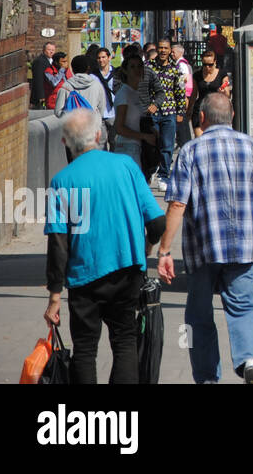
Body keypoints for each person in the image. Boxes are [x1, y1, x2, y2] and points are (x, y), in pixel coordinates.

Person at [156, 93, 253, 385]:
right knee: (244, 308)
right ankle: (250, 359)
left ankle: (207, 379)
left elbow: (177, 205)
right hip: (246, 247)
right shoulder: (252, 147)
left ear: (201, 118)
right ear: (233, 115)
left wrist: (164, 250)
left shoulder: (189, 152)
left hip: (204, 248)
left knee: (199, 316)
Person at [43, 107, 166, 384]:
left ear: (65, 142)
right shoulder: (126, 166)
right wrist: (145, 248)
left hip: (84, 277)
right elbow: (158, 223)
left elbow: (58, 245)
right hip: (127, 270)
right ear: (99, 135)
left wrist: (54, 297)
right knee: (124, 340)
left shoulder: (62, 182)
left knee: (85, 349)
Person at [148, 37, 188, 188]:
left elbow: (180, 92)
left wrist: (180, 112)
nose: (163, 51)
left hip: (169, 112)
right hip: (152, 112)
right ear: (157, 49)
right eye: (161, 48)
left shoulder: (175, 69)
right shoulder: (148, 67)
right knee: (153, 145)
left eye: (166, 48)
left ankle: (163, 175)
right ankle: (152, 169)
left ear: (170, 50)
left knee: (167, 145)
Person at [111, 55, 157, 169]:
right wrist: (144, 136)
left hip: (137, 146)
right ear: (125, 71)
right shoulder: (124, 94)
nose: (137, 70)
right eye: (132, 67)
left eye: (139, 66)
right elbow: (119, 127)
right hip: (126, 148)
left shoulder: (134, 93)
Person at [189, 50, 231, 138]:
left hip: (216, 111)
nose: (207, 67)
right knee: (200, 140)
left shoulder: (222, 74)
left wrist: (224, 92)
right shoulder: (197, 75)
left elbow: (227, 93)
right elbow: (193, 95)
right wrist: (189, 110)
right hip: (200, 110)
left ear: (215, 62)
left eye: (210, 65)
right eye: (204, 64)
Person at [92, 46, 120, 133]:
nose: (101, 60)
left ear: (109, 57)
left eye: (103, 57)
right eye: (98, 58)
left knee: (115, 142)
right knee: (100, 142)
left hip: (114, 112)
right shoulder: (93, 75)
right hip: (99, 114)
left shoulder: (117, 73)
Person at [173, 43, 195, 148]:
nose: (172, 54)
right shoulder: (180, 63)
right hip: (184, 96)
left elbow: (185, 79)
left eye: (173, 52)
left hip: (183, 96)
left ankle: (184, 142)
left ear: (180, 52)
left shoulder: (181, 64)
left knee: (182, 120)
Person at [31, 41, 59, 108]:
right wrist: (41, 96)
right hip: (42, 95)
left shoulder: (54, 61)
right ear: (44, 50)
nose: (51, 52)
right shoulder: (39, 61)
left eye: (53, 50)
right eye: (49, 50)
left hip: (50, 94)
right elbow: (38, 79)